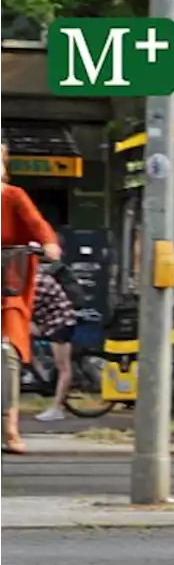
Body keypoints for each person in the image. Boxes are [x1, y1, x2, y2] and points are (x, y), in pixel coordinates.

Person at [0, 143, 60, 454]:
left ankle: (10, 427)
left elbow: (38, 224)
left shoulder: (13, 196)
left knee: (6, 350)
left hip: (7, 287)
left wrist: (49, 244)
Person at [31, 261, 78, 422]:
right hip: (47, 322)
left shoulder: (38, 281)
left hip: (61, 323)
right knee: (22, 341)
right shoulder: (32, 278)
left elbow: (27, 305)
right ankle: (41, 374)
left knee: (63, 367)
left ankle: (57, 408)